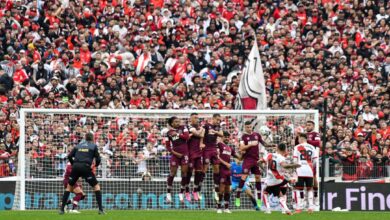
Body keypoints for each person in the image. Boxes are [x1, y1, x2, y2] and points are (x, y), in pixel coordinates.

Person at [59, 133, 104, 215]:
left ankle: (62, 210)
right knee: (96, 186)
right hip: (85, 167)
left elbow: (69, 156)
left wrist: (73, 164)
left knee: (69, 187)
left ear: (85, 138)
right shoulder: (93, 146)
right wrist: (95, 166)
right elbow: (98, 159)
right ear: (92, 138)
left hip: (75, 167)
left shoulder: (78, 145)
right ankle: (100, 209)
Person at [263, 143, 301, 215]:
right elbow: (285, 166)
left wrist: (264, 169)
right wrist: (294, 165)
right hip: (281, 179)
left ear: (277, 148)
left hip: (272, 180)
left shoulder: (270, 155)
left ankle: (269, 209)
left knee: (265, 192)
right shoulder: (282, 158)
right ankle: (285, 209)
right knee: (281, 194)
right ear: (284, 150)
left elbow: (260, 161)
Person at [235, 121, 266, 207]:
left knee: (258, 178)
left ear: (252, 126)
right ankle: (238, 196)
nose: (249, 128)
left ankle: (259, 199)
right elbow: (241, 147)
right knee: (244, 176)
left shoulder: (257, 135)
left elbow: (264, 143)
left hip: (256, 160)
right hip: (247, 159)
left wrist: (271, 145)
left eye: (250, 127)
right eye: (247, 127)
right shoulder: (243, 137)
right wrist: (251, 144)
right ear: (245, 127)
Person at [165, 116, 190, 203]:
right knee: (172, 173)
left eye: (179, 121)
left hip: (185, 154)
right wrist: (175, 154)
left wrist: (178, 134)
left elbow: (187, 137)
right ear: (172, 123)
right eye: (176, 122)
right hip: (175, 155)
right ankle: (168, 194)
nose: (178, 123)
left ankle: (181, 193)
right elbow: (168, 147)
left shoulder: (184, 128)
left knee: (184, 173)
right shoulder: (168, 133)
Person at [293, 133, 318, 214]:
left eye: (299, 138)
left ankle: (299, 207)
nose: (298, 140)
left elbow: (295, 161)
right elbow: (315, 161)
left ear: (301, 138)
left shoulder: (297, 147)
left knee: (299, 188)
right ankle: (310, 207)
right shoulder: (312, 147)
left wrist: (294, 169)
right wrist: (310, 167)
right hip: (309, 170)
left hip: (300, 170)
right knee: (309, 188)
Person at [201, 113, 223, 201]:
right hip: (206, 149)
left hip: (214, 149)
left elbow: (221, 134)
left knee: (217, 170)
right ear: (213, 119)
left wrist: (215, 132)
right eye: (217, 119)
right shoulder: (206, 125)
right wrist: (201, 143)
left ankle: (216, 189)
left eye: (219, 120)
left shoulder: (218, 128)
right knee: (205, 169)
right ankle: (199, 187)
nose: (218, 121)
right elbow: (202, 134)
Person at [216, 131, 238, 214]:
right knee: (221, 189)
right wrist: (226, 164)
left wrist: (244, 155)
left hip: (228, 171)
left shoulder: (230, 148)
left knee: (228, 190)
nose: (227, 138)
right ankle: (218, 207)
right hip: (221, 169)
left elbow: (238, 157)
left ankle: (226, 208)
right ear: (222, 137)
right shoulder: (219, 145)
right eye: (225, 137)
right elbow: (217, 157)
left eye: (228, 137)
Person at [187, 113, 205, 201]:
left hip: (198, 153)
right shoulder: (188, 127)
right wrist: (202, 130)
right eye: (195, 118)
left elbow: (201, 137)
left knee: (199, 172)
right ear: (191, 119)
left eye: (198, 117)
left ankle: (195, 191)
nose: (197, 119)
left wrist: (201, 141)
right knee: (189, 173)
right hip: (190, 153)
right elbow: (199, 134)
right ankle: (186, 191)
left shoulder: (199, 128)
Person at [305, 120, 320, 206]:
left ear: (313, 126)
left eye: (309, 125)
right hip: (303, 160)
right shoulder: (303, 135)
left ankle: (316, 196)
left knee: (314, 177)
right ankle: (305, 199)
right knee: (303, 178)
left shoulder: (315, 134)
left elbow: (317, 143)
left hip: (312, 159)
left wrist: (306, 141)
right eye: (307, 125)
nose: (307, 126)